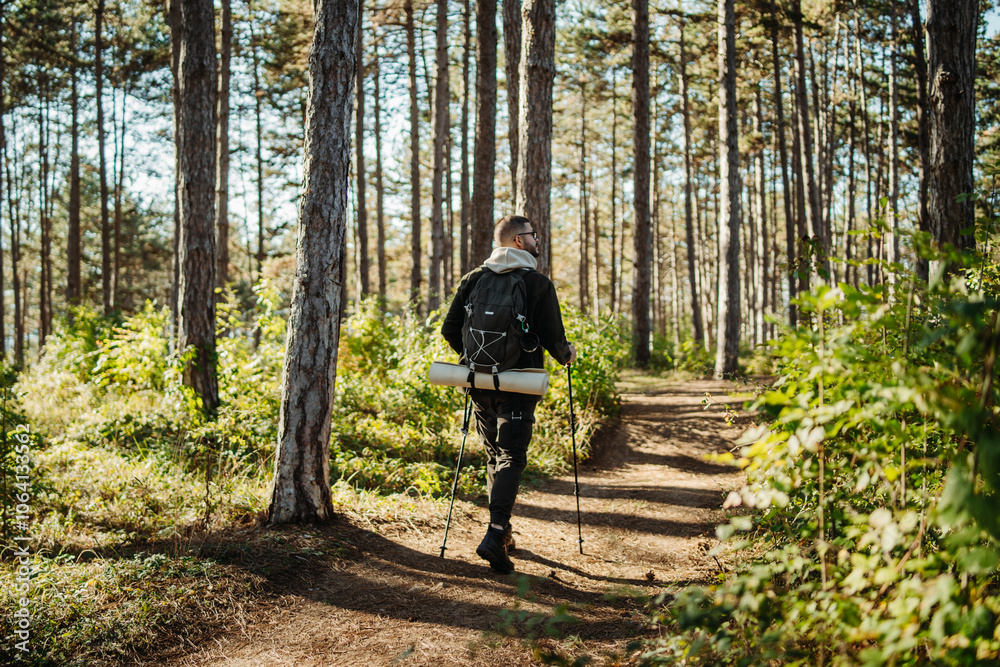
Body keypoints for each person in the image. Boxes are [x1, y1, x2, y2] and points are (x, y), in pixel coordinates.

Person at [441, 214, 577, 574]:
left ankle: (504, 532)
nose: (537, 241)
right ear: (518, 241)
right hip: (518, 385)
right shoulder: (536, 283)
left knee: (493, 455)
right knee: (512, 457)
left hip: (479, 383)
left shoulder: (474, 278)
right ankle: (495, 533)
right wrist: (567, 354)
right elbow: (554, 339)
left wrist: (475, 361)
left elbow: (449, 329)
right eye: (533, 236)